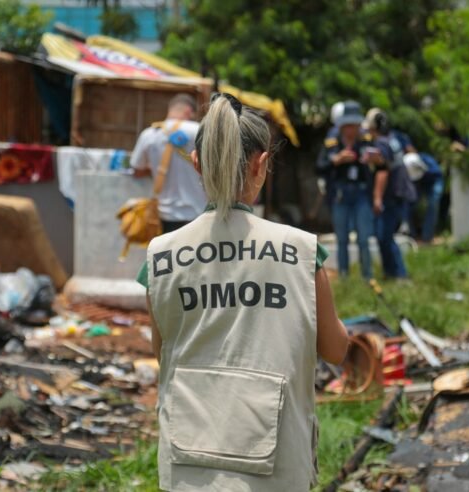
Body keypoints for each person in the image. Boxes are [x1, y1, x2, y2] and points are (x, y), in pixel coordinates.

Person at [136, 93, 350, 491]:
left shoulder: (159, 256)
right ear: (261, 163)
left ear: (196, 163)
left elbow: (161, 352)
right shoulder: (302, 251)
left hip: (189, 459)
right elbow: (336, 350)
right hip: (276, 464)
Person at [316, 101, 383, 279]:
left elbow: (382, 167)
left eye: (354, 125)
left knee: (363, 239)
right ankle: (344, 276)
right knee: (342, 239)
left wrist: (372, 160)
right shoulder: (332, 143)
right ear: (342, 125)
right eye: (347, 125)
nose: (351, 130)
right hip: (340, 194)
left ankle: (367, 276)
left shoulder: (366, 142)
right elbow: (319, 166)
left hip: (361, 193)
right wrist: (336, 160)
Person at [130, 94, 207, 232]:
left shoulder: (150, 133)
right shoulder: (200, 130)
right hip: (198, 214)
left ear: (170, 110)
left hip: (165, 216)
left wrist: (155, 167)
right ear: (189, 111)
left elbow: (137, 170)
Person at [363, 108, 417, 279]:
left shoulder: (381, 144)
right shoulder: (393, 139)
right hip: (399, 193)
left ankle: (399, 274)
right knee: (384, 236)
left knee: (384, 236)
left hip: (390, 196)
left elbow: (382, 172)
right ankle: (391, 273)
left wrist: (377, 198)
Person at [390, 131, 445, 243]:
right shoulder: (407, 165)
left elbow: (438, 174)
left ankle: (427, 237)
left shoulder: (428, 163)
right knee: (408, 203)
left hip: (434, 181)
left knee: (433, 203)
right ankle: (412, 236)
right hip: (417, 183)